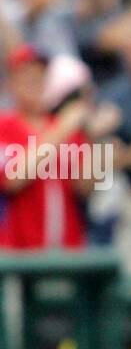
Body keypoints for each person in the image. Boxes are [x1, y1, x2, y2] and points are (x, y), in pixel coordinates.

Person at [0, 45, 94, 249]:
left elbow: (85, 189)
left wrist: (95, 139)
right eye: (26, 76)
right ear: (10, 84)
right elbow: (13, 179)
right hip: (19, 247)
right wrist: (65, 126)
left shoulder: (66, 127)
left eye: (40, 76)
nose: (34, 83)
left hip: (67, 244)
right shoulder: (4, 126)